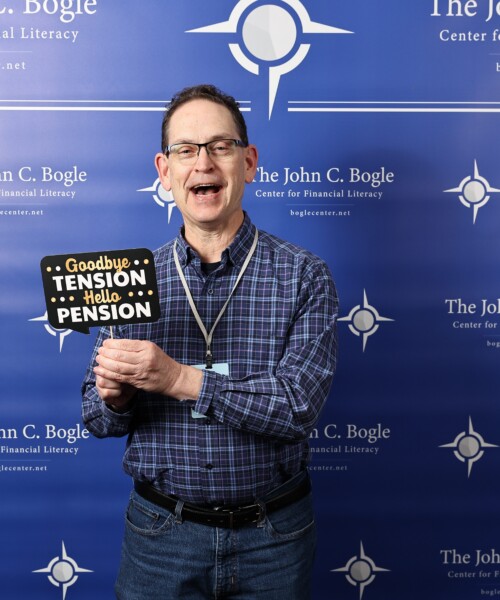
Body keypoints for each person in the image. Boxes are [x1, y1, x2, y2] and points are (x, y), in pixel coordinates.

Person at [81, 84, 338, 600]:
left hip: (275, 538)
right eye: (186, 150)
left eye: (220, 146)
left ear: (249, 162)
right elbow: (96, 417)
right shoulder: (130, 279)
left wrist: (178, 379)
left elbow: (297, 407)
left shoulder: (304, 276)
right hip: (160, 537)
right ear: (164, 170)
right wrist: (115, 397)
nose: (203, 163)